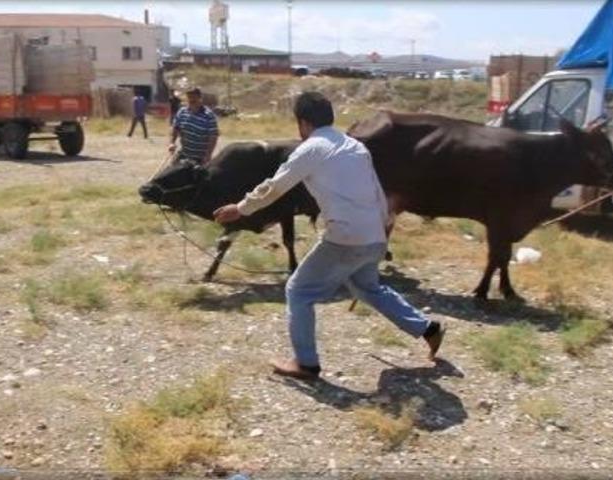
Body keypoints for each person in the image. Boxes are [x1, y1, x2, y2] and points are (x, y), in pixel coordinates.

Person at [213, 91, 444, 380]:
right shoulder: (355, 146)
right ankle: (428, 328)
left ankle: (306, 363)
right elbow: (375, 189)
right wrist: (383, 227)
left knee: (298, 291)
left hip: (345, 237)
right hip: (373, 233)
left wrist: (241, 208)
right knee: (368, 288)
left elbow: (275, 186)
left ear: (303, 122)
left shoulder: (311, 149)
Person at [168, 87, 219, 165]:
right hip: (184, 155)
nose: (191, 100)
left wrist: (208, 156)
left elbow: (213, 137)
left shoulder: (209, 115)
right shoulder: (182, 112)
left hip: (200, 158)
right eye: (189, 97)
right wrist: (172, 143)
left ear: (200, 98)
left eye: (194, 97)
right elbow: (176, 128)